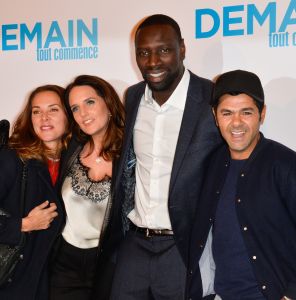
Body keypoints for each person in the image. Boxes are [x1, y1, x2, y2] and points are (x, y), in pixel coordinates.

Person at [110, 14, 222, 300]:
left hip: (183, 246)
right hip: (134, 242)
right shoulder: (133, 96)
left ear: (182, 49)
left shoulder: (211, 97)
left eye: (164, 50)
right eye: (143, 52)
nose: (153, 62)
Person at [187, 69, 296, 300]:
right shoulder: (212, 163)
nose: (236, 123)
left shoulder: (287, 165)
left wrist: (292, 294)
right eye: (227, 113)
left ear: (262, 114)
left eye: (246, 112)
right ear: (215, 116)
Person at [49, 75, 125, 300]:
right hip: (64, 263)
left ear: (108, 103)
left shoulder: (132, 153)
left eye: (89, 102)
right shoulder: (70, 148)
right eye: (75, 108)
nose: (83, 113)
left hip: (110, 264)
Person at [0, 84, 70, 299]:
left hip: (59, 283)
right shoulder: (12, 159)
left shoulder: (78, 160)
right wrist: (24, 224)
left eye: (53, 109)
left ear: (68, 115)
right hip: (15, 282)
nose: (44, 117)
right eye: (36, 111)